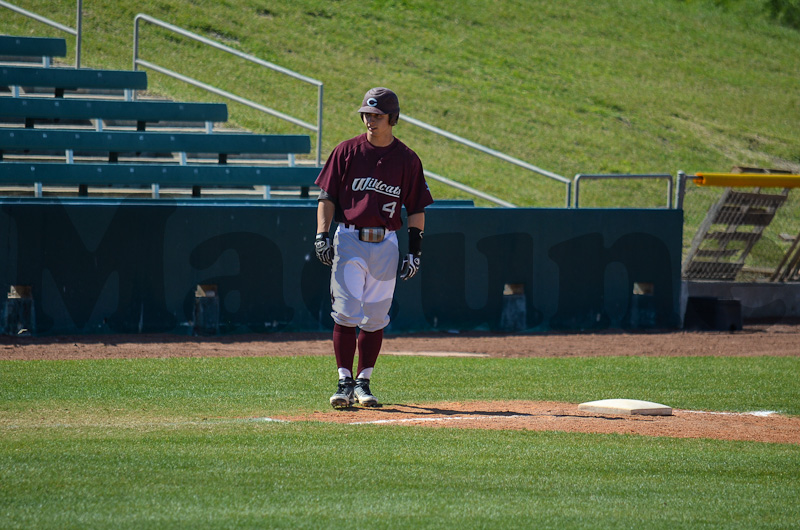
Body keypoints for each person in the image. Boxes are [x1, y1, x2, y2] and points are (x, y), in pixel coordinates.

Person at [313, 87, 434, 408]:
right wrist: (321, 235)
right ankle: (343, 382)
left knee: (376, 315)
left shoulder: (407, 159)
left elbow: (417, 208)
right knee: (346, 310)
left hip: (386, 243)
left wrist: (415, 251)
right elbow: (326, 197)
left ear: (393, 118)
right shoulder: (346, 151)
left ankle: (363, 382)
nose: (370, 120)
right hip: (350, 238)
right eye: (367, 114)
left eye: (378, 115)